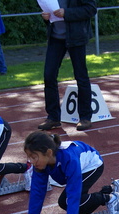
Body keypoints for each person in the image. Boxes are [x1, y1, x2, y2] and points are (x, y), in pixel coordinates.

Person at [22, 131, 119, 214]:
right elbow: (37, 191)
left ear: (49, 153)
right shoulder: (40, 164)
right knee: (74, 206)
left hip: (92, 165)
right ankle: (109, 190)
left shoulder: (69, 159)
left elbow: (73, 194)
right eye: (29, 157)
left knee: (67, 201)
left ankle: (110, 198)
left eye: (34, 157)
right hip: (78, 167)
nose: (31, 161)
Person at [37, 0, 97, 132]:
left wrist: (67, 13)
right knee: (49, 75)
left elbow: (91, 9)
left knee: (81, 75)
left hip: (76, 37)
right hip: (55, 38)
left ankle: (85, 117)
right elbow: (49, 12)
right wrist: (46, 18)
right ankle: (53, 117)